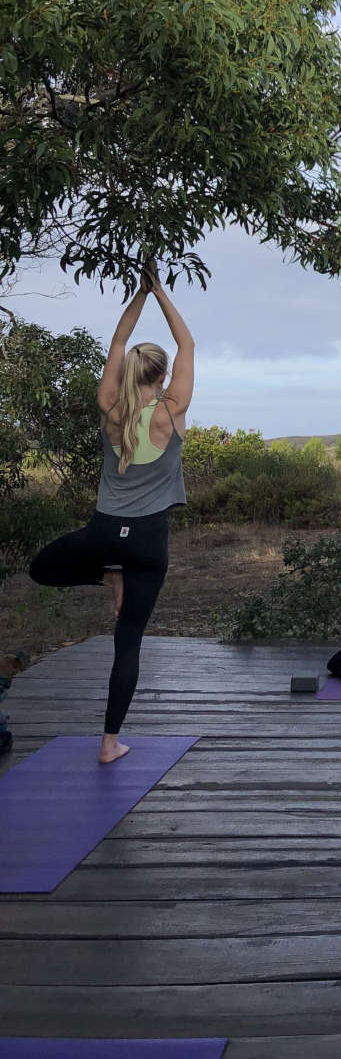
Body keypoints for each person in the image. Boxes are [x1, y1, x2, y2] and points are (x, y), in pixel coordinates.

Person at [29, 265, 194, 763]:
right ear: (161, 376)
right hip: (148, 543)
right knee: (129, 643)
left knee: (42, 566)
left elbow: (119, 342)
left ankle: (108, 573)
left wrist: (138, 297)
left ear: (124, 375)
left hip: (103, 533)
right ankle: (109, 744)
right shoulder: (172, 410)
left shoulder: (109, 407)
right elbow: (187, 345)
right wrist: (160, 291)